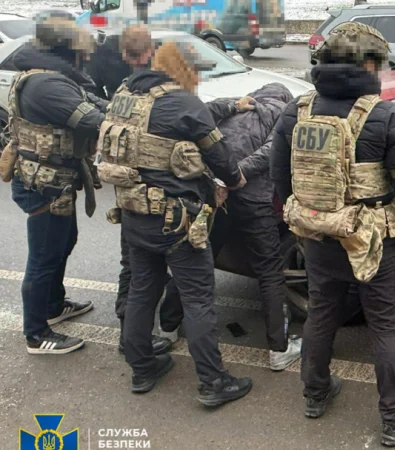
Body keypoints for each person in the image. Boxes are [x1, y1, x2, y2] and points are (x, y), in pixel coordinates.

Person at [270, 22, 395, 447]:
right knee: (385, 325)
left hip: (318, 238)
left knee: (321, 313)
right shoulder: (385, 115)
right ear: (367, 64)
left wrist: (313, 217)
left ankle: (315, 393)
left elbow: (280, 179)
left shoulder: (296, 111)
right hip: (374, 243)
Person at [98, 40, 252, 405]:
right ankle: (213, 382)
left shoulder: (124, 95)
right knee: (198, 299)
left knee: (142, 290)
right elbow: (218, 155)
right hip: (177, 220)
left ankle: (142, 368)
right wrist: (234, 180)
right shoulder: (181, 101)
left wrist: (229, 104)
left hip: (134, 213)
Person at [5, 16, 106, 354]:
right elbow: (91, 118)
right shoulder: (46, 84)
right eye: (81, 51)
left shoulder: (50, 75)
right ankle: (36, 334)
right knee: (44, 257)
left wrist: (123, 108)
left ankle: (53, 304)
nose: (85, 57)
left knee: (64, 241)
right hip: (45, 184)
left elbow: (93, 103)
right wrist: (131, 119)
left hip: (53, 181)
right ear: (65, 49)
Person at [207, 82, 303, 371]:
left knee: (200, 260)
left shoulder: (235, 105)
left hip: (219, 195)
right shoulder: (285, 114)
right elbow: (272, 151)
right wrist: (236, 175)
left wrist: (221, 179)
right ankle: (279, 350)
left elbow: (203, 131)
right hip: (255, 201)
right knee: (270, 272)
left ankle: (168, 326)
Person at [109, 26, 182, 357]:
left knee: (133, 271)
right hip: (159, 201)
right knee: (154, 275)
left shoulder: (122, 93)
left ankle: (130, 339)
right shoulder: (163, 94)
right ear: (152, 51)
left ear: (125, 55)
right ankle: (134, 341)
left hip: (128, 197)